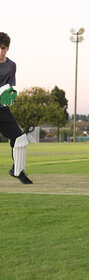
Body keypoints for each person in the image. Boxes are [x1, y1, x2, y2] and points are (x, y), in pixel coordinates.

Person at [0, 32, 32, 184]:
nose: (1, 51)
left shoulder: (11, 66)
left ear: (7, 48)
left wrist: (10, 96)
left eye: (4, 48)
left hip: (1, 109)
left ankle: (18, 171)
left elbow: (9, 87)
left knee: (20, 139)